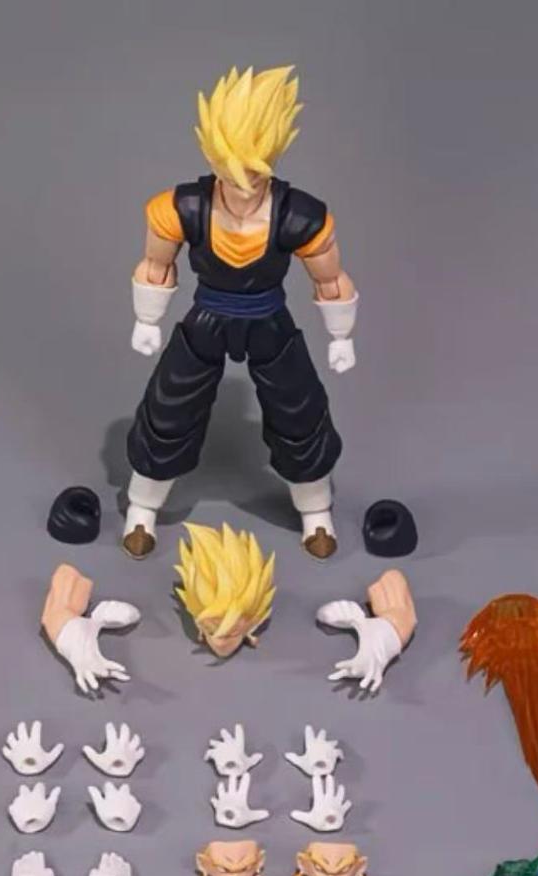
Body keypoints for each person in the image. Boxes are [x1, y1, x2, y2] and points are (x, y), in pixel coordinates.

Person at [122, 65, 359, 560]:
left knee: (299, 408)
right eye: (232, 168)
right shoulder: (182, 206)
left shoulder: (298, 215)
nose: (243, 181)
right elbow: (155, 264)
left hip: (268, 318)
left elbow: (331, 278)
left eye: (255, 168)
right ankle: (142, 508)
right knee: (169, 406)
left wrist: (341, 334)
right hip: (207, 317)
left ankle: (316, 512)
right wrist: (147, 318)